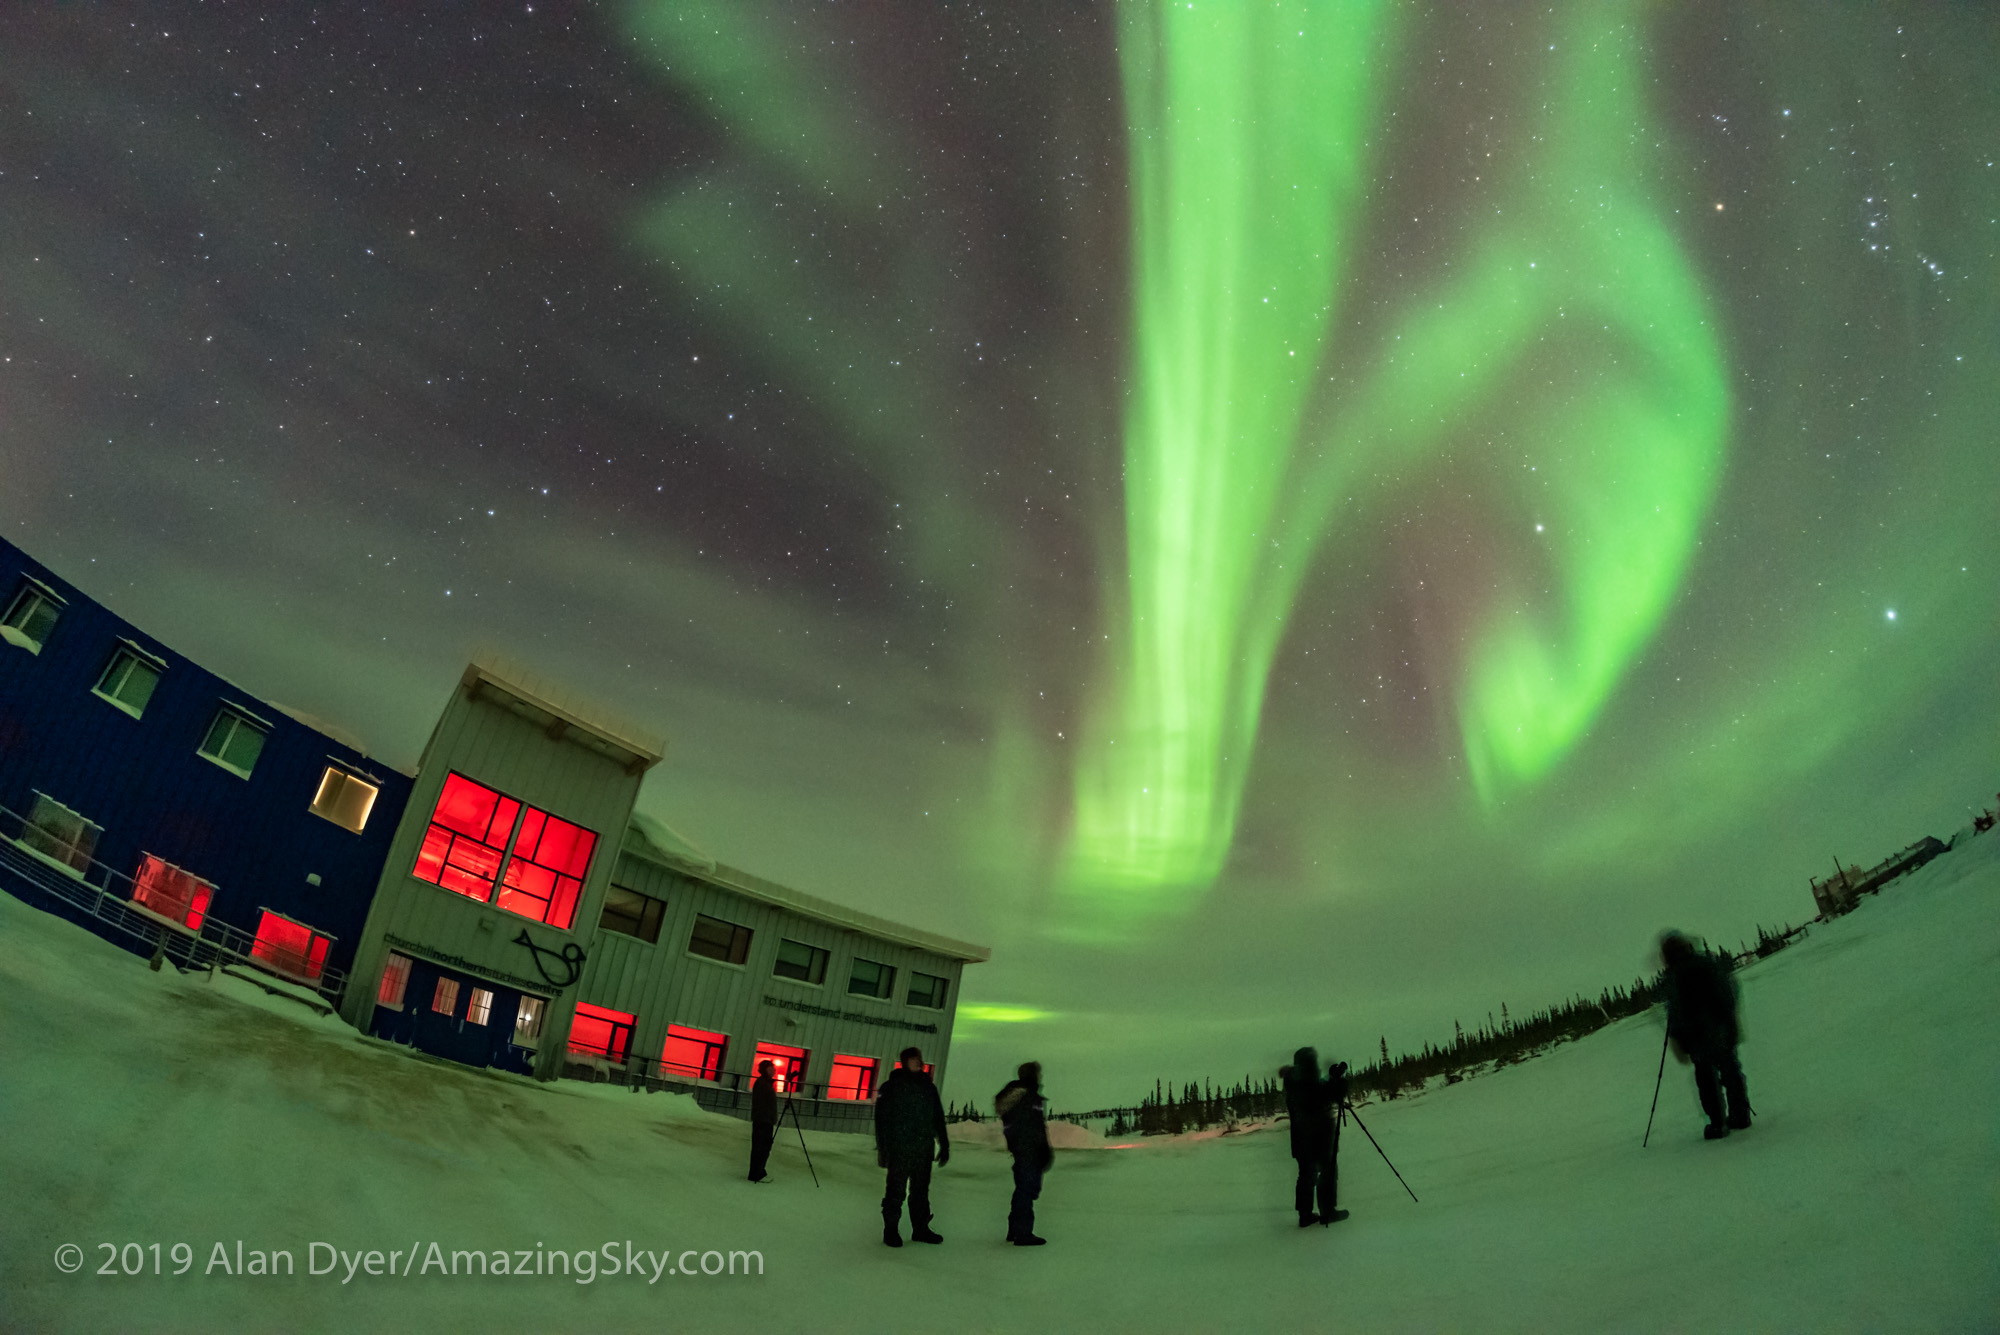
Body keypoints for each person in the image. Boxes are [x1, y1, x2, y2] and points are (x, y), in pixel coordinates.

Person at [1660, 931, 1751, 1139]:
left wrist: (1677, 1037)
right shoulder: (1707, 963)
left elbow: (1675, 1011)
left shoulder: (1675, 975)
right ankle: (1740, 1115)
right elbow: (1730, 989)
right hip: (1722, 1027)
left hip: (1697, 1036)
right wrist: (1729, 1018)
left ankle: (1718, 1124)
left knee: (1706, 1077)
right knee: (1731, 1069)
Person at [874, 1047, 949, 1246]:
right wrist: (883, 1148)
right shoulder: (891, 1087)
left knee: (920, 1191)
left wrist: (944, 1144)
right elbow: (881, 1120)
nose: (918, 1062)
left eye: (919, 1059)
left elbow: (937, 1117)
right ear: (905, 1061)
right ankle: (890, 1230)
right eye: (913, 1059)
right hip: (899, 1149)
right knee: (895, 1191)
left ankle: (921, 1229)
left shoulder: (928, 1087)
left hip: (923, 1149)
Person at [1281, 1047, 1348, 1227]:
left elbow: (1317, 1091)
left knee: (1308, 1174)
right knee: (1326, 1171)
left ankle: (1306, 1214)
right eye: (1314, 1061)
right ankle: (1327, 1211)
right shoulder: (1301, 1083)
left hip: (1304, 1139)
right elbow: (1316, 1099)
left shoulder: (1297, 1081)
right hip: (1315, 1136)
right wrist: (1334, 1086)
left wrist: (1331, 1081)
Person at [995, 1061, 1054, 1245]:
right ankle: (1022, 1233)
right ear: (1032, 1075)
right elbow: (1028, 1126)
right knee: (1027, 1189)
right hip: (1028, 1150)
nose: (1041, 1076)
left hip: (1027, 1149)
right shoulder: (1025, 1095)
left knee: (1024, 1188)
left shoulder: (1027, 1094)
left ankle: (1015, 1230)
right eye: (1038, 1073)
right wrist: (1036, 1147)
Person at [747, 1060, 778, 1182]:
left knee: (763, 1147)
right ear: (765, 1069)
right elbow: (763, 1103)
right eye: (771, 1068)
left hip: (765, 1120)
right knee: (761, 1147)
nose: (773, 1070)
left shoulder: (766, 1083)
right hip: (762, 1120)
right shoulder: (762, 1083)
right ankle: (756, 1172)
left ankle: (758, 1171)